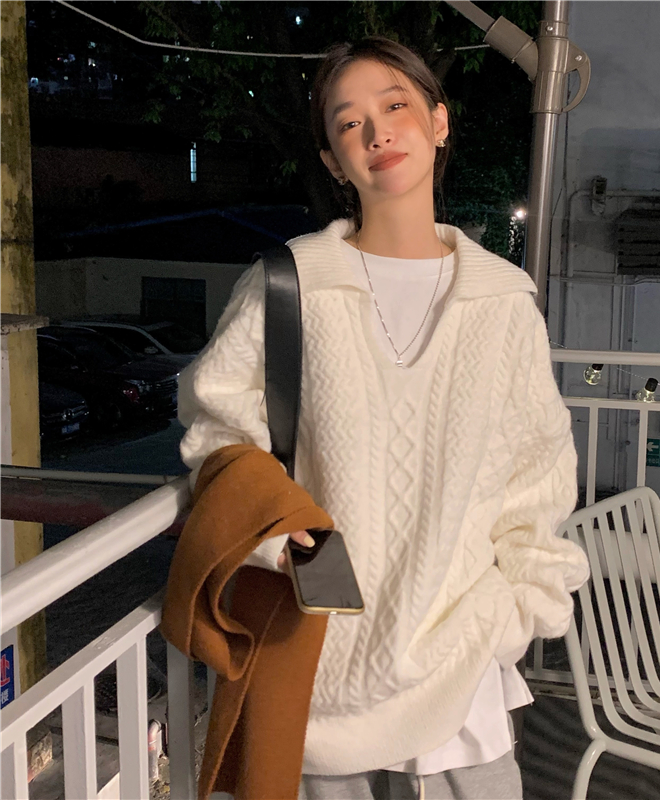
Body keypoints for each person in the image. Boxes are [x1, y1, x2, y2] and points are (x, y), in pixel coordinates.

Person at [178, 36, 589, 800]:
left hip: (461, 667)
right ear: (333, 161)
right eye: (348, 122)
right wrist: (273, 538)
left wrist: (517, 610)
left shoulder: (502, 302)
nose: (376, 132)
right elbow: (218, 431)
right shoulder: (290, 284)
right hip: (318, 669)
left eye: (395, 105)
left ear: (439, 121)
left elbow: (538, 475)